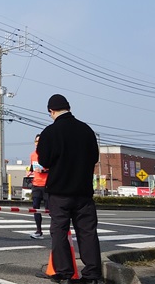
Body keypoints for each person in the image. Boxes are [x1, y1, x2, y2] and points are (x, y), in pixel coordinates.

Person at [37, 94, 103, 284]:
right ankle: (92, 275)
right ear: (68, 107)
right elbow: (94, 158)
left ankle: (65, 273)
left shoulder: (50, 132)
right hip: (83, 192)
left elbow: (44, 161)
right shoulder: (86, 130)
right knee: (88, 232)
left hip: (59, 192)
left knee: (59, 231)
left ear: (51, 111)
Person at [29, 133, 49, 240]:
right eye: (36, 141)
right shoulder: (32, 155)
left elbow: (54, 168)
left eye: (40, 141)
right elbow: (32, 167)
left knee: (50, 209)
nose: (38, 143)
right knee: (35, 208)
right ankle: (38, 231)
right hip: (36, 184)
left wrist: (44, 170)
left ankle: (59, 230)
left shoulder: (48, 154)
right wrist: (30, 172)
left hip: (47, 185)